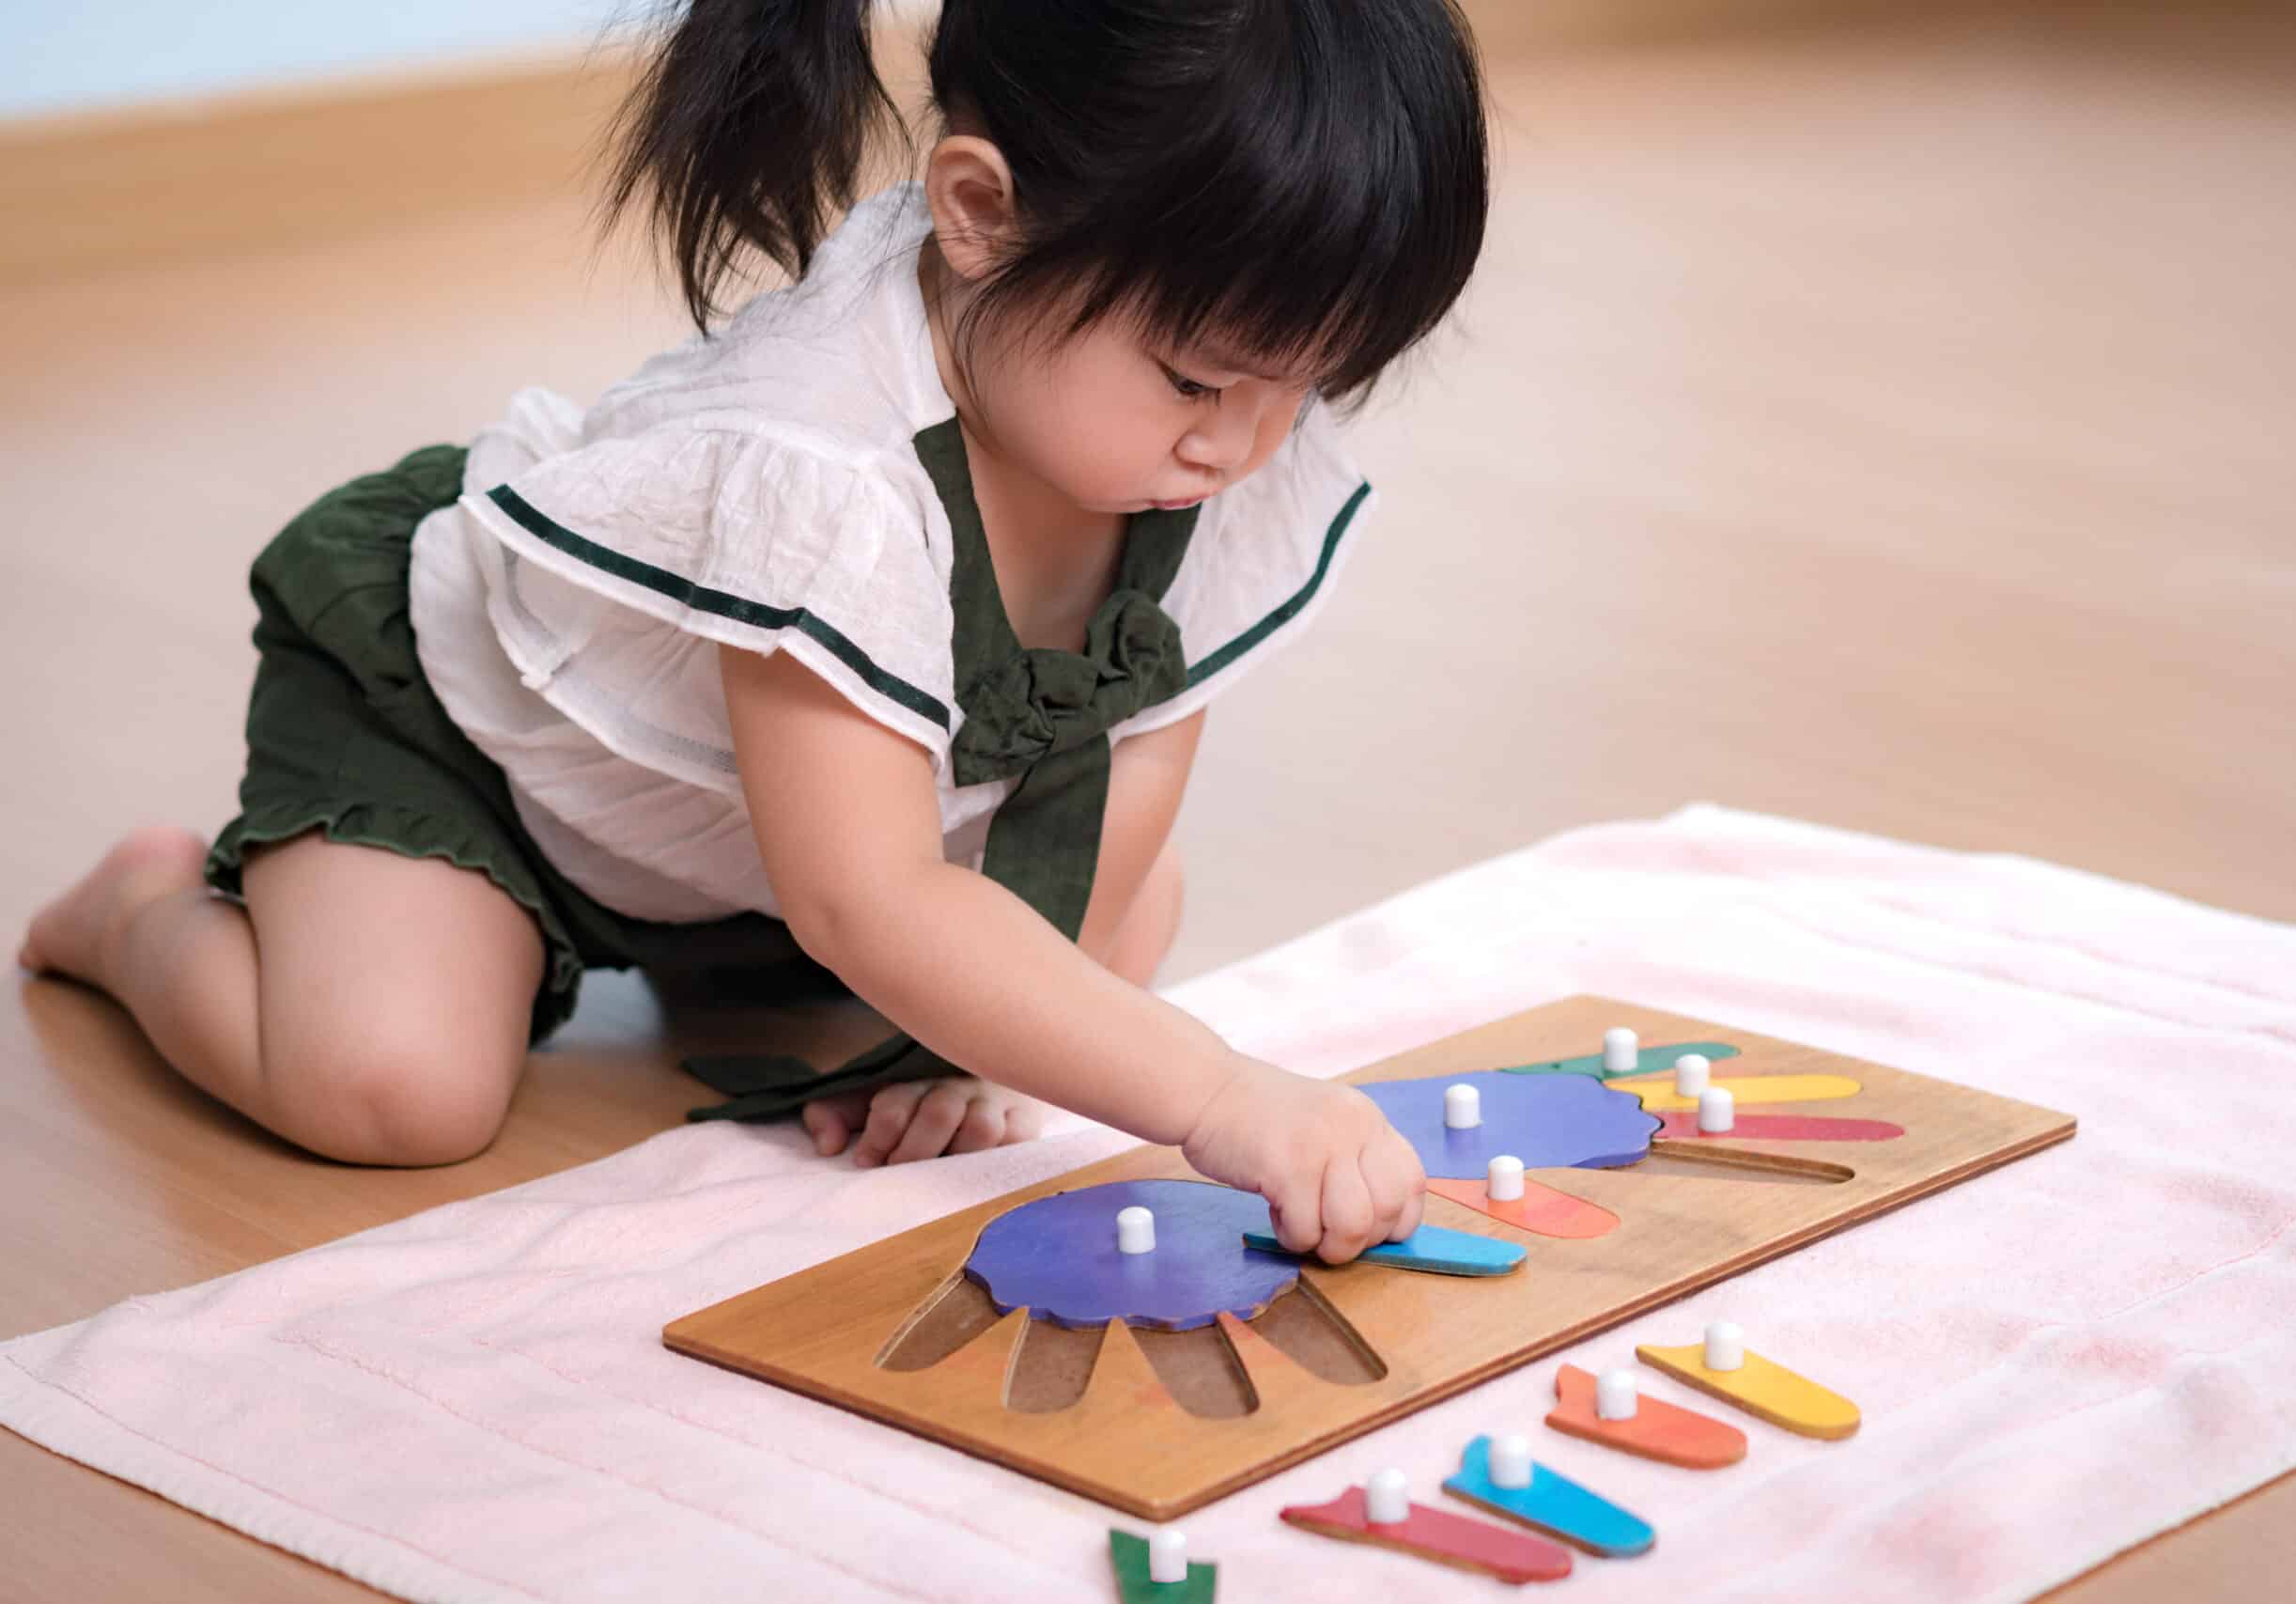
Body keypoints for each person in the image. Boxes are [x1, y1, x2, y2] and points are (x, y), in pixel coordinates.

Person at [21, 0, 1489, 1264]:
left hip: (761, 846)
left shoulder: (1225, 432)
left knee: (1122, 918)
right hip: (482, 759)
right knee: (391, 1094)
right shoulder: (823, 461)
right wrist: (1221, 1093)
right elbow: (869, 902)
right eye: (1194, 380)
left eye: (1311, 382)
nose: (1248, 442)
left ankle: (721, 954)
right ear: (978, 215)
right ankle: (142, 913)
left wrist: (966, 1049)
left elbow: (1101, 811)